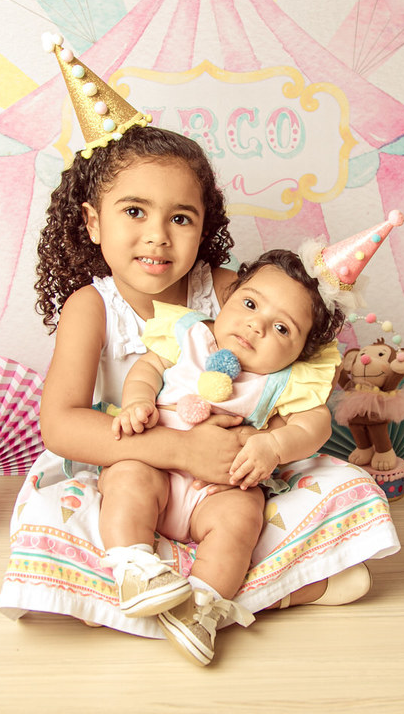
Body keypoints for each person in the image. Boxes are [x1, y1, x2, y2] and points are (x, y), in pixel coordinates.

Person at [0, 33, 399, 647]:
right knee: (63, 514)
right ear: (92, 221)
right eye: (134, 212)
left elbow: (303, 362)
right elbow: (61, 426)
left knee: (328, 489)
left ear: (204, 225)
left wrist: (269, 445)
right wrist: (179, 451)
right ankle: (265, 587)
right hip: (131, 471)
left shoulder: (234, 290)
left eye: (180, 218)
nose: (158, 237)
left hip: (233, 479)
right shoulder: (91, 307)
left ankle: (207, 597)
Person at [109, 249, 345, 664]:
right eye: (250, 304)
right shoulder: (188, 335)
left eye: (281, 328)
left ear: (302, 350)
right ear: (228, 297)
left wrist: (273, 445)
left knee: (243, 515)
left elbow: (316, 425)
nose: (256, 325)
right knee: (127, 475)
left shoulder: (282, 379)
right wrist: (137, 402)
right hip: (157, 466)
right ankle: (135, 569)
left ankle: (200, 607)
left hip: (220, 488)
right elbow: (146, 368)